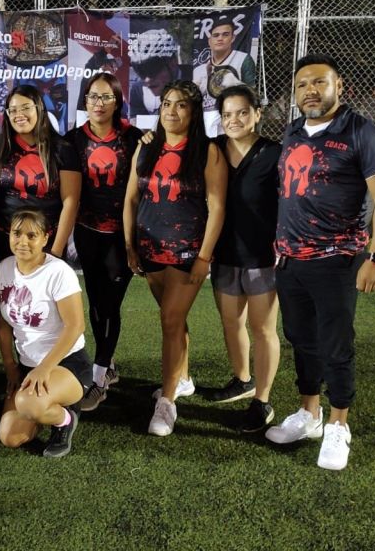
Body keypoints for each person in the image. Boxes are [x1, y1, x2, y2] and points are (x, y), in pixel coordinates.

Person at [264, 54, 375, 471]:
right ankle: (310, 413)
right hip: (290, 259)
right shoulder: (292, 132)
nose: (310, 91)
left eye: (319, 82)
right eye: (303, 84)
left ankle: (339, 424)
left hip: (337, 259)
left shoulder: (362, 133)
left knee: (336, 345)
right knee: (301, 339)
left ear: (340, 87)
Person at [123, 80, 227, 437]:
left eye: (181, 105)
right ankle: (181, 378)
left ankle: (166, 403)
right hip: (150, 249)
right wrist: (130, 245)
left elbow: (217, 208)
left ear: (194, 112)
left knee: (170, 320)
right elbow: (132, 201)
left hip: (187, 252)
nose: (171, 110)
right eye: (166, 103)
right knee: (173, 321)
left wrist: (204, 257)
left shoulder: (208, 152)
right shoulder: (146, 149)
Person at [200, 84, 281, 433]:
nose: (234, 120)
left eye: (242, 112)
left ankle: (262, 401)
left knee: (262, 329)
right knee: (231, 322)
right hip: (224, 254)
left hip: (263, 257)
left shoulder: (276, 153)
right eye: (227, 114)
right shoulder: (213, 149)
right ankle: (242, 378)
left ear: (257, 114)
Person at [65, 72, 141, 411]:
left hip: (121, 236)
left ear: (117, 101)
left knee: (109, 304)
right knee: (97, 303)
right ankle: (106, 362)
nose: (99, 103)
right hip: (87, 232)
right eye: (93, 96)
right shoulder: (72, 140)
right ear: (84, 101)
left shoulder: (134, 138)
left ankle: (99, 375)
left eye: (106, 97)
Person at [0, 209, 91, 458]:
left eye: (31, 235)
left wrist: (44, 368)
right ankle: (45, 405)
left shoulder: (59, 272)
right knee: (10, 437)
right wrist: (10, 365)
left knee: (29, 404)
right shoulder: (6, 267)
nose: (23, 241)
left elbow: (76, 326)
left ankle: (64, 418)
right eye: (17, 233)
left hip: (67, 364)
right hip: (28, 365)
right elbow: (3, 320)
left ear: (45, 239)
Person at [0, 84, 80, 266]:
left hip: (46, 240)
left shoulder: (62, 149)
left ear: (39, 109)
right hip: (5, 238)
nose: (18, 114)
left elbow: (71, 202)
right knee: (8, 292)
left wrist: (56, 250)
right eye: (12, 110)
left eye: (25, 108)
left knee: (46, 294)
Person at [192, 18, 259, 114]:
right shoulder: (199, 70)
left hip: (234, 114)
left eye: (225, 34)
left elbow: (251, 93)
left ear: (233, 38)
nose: (220, 38)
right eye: (216, 35)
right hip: (207, 117)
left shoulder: (243, 59)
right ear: (209, 41)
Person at [127, 28, 190, 117]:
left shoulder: (194, 78)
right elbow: (138, 126)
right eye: (141, 71)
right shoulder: (137, 90)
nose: (147, 80)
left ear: (173, 63)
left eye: (152, 69)